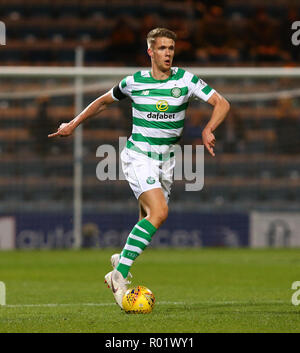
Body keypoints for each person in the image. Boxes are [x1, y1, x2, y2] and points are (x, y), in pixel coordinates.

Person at [48, 28, 230, 309]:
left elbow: (222, 102)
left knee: (149, 218)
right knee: (159, 212)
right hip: (138, 155)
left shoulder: (185, 79)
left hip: (167, 161)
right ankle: (117, 276)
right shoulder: (134, 82)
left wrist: (208, 128)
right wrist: (72, 124)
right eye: (162, 48)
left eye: (171, 48)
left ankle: (121, 259)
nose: (168, 53)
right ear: (150, 52)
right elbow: (102, 102)